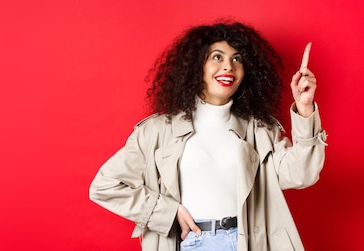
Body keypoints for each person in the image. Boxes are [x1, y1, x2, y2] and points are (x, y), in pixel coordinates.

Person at [88, 21, 327, 251]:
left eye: (237, 59)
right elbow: (104, 186)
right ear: (197, 67)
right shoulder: (157, 131)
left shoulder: (260, 130)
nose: (228, 66)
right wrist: (168, 212)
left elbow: (302, 174)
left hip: (248, 243)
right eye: (217, 57)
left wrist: (305, 108)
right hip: (194, 242)